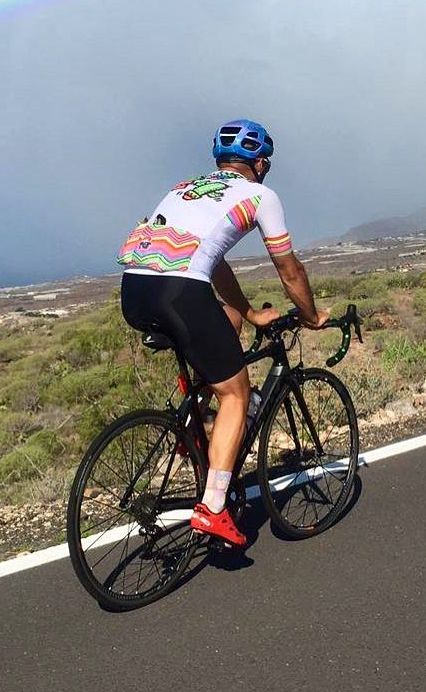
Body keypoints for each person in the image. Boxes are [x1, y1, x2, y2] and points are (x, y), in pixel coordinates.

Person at [116, 119, 329, 547]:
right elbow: (289, 270)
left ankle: (193, 422)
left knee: (227, 321)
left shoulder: (185, 188)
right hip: (180, 293)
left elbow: (213, 263)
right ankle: (213, 508)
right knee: (235, 393)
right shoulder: (260, 195)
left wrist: (248, 313)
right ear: (261, 164)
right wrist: (310, 315)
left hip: (134, 292)